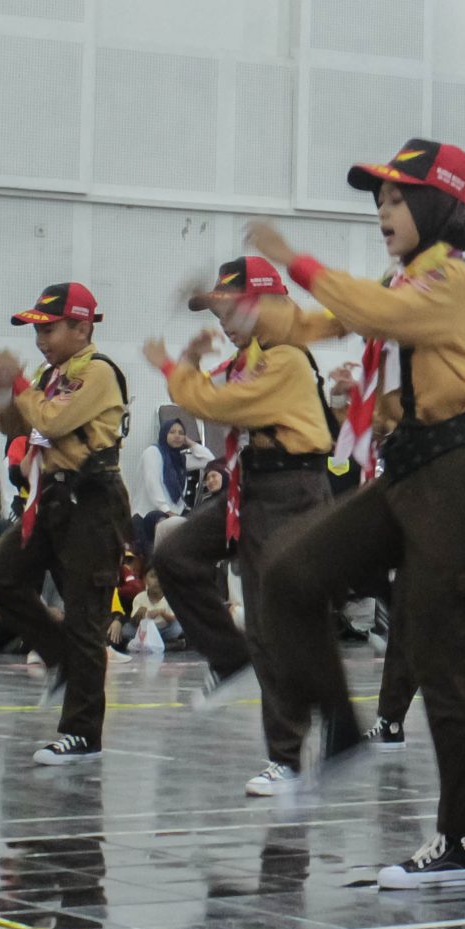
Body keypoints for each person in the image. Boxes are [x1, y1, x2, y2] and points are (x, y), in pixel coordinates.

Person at [244, 138, 465, 890]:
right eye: (380, 201)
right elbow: (322, 323)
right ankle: (343, 730)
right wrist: (255, 314)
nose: (383, 211)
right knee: (291, 574)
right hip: (410, 470)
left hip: (455, 474)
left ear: (434, 205)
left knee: (443, 662)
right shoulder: (402, 280)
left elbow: (373, 311)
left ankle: (464, 839)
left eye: (396, 199)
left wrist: (293, 259)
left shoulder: (453, 279)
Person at [146, 254, 340, 800]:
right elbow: (203, 391)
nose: (225, 322)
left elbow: (215, 403)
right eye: (219, 313)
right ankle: (230, 658)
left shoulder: (286, 360)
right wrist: (189, 361)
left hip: (290, 491)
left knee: (270, 624)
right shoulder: (249, 358)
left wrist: (174, 366)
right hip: (251, 487)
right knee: (175, 554)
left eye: (233, 310)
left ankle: (287, 758)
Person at [0, 282, 131, 769]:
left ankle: (82, 732)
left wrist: (23, 389)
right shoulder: (51, 376)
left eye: (49, 329)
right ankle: (59, 657)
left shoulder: (98, 372)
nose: (40, 339)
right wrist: (5, 387)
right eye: (37, 331)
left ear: (81, 328)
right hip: (52, 496)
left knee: (86, 616)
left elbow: (50, 422)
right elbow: (13, 425)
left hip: (92, 499)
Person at [133, 417, 208, 558]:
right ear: (164, 433)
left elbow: (209, 460)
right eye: (172, 432)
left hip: (171, 518)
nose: (177, 436)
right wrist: (167, 511)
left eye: (181, 433)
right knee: (153, 563)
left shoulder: (180, 460)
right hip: (147, 517)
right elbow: (152, 484)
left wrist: (190, 443)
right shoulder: (152, 452)